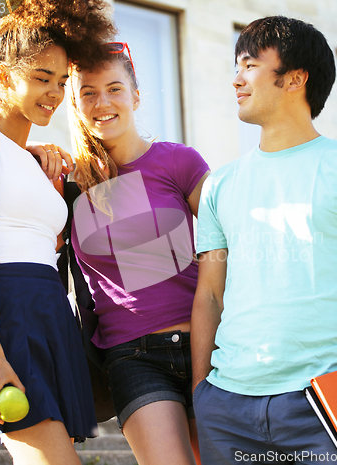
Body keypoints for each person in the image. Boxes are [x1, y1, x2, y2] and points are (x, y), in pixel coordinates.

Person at [191, 15, 337, 465]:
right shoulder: (220, 186)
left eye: (250, 65)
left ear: (295, 78)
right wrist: (201, 393)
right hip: (226, 406)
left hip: (326, 406)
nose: (236, 79)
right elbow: (210, 294)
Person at [0, 2, 115, 464]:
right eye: (42, 78)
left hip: (51, 315)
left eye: (62, 82)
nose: (56, 93)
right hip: (7, 313)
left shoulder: (42, 161)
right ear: (4, 77)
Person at [65, 42, 210, 465]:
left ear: (136, 96)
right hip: (133, 355)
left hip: (210, 345)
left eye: (114, 88)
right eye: (87, 92)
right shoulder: (67, 185)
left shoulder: (177, 162)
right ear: (74, 104)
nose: (102, 102)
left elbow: (233, 242)